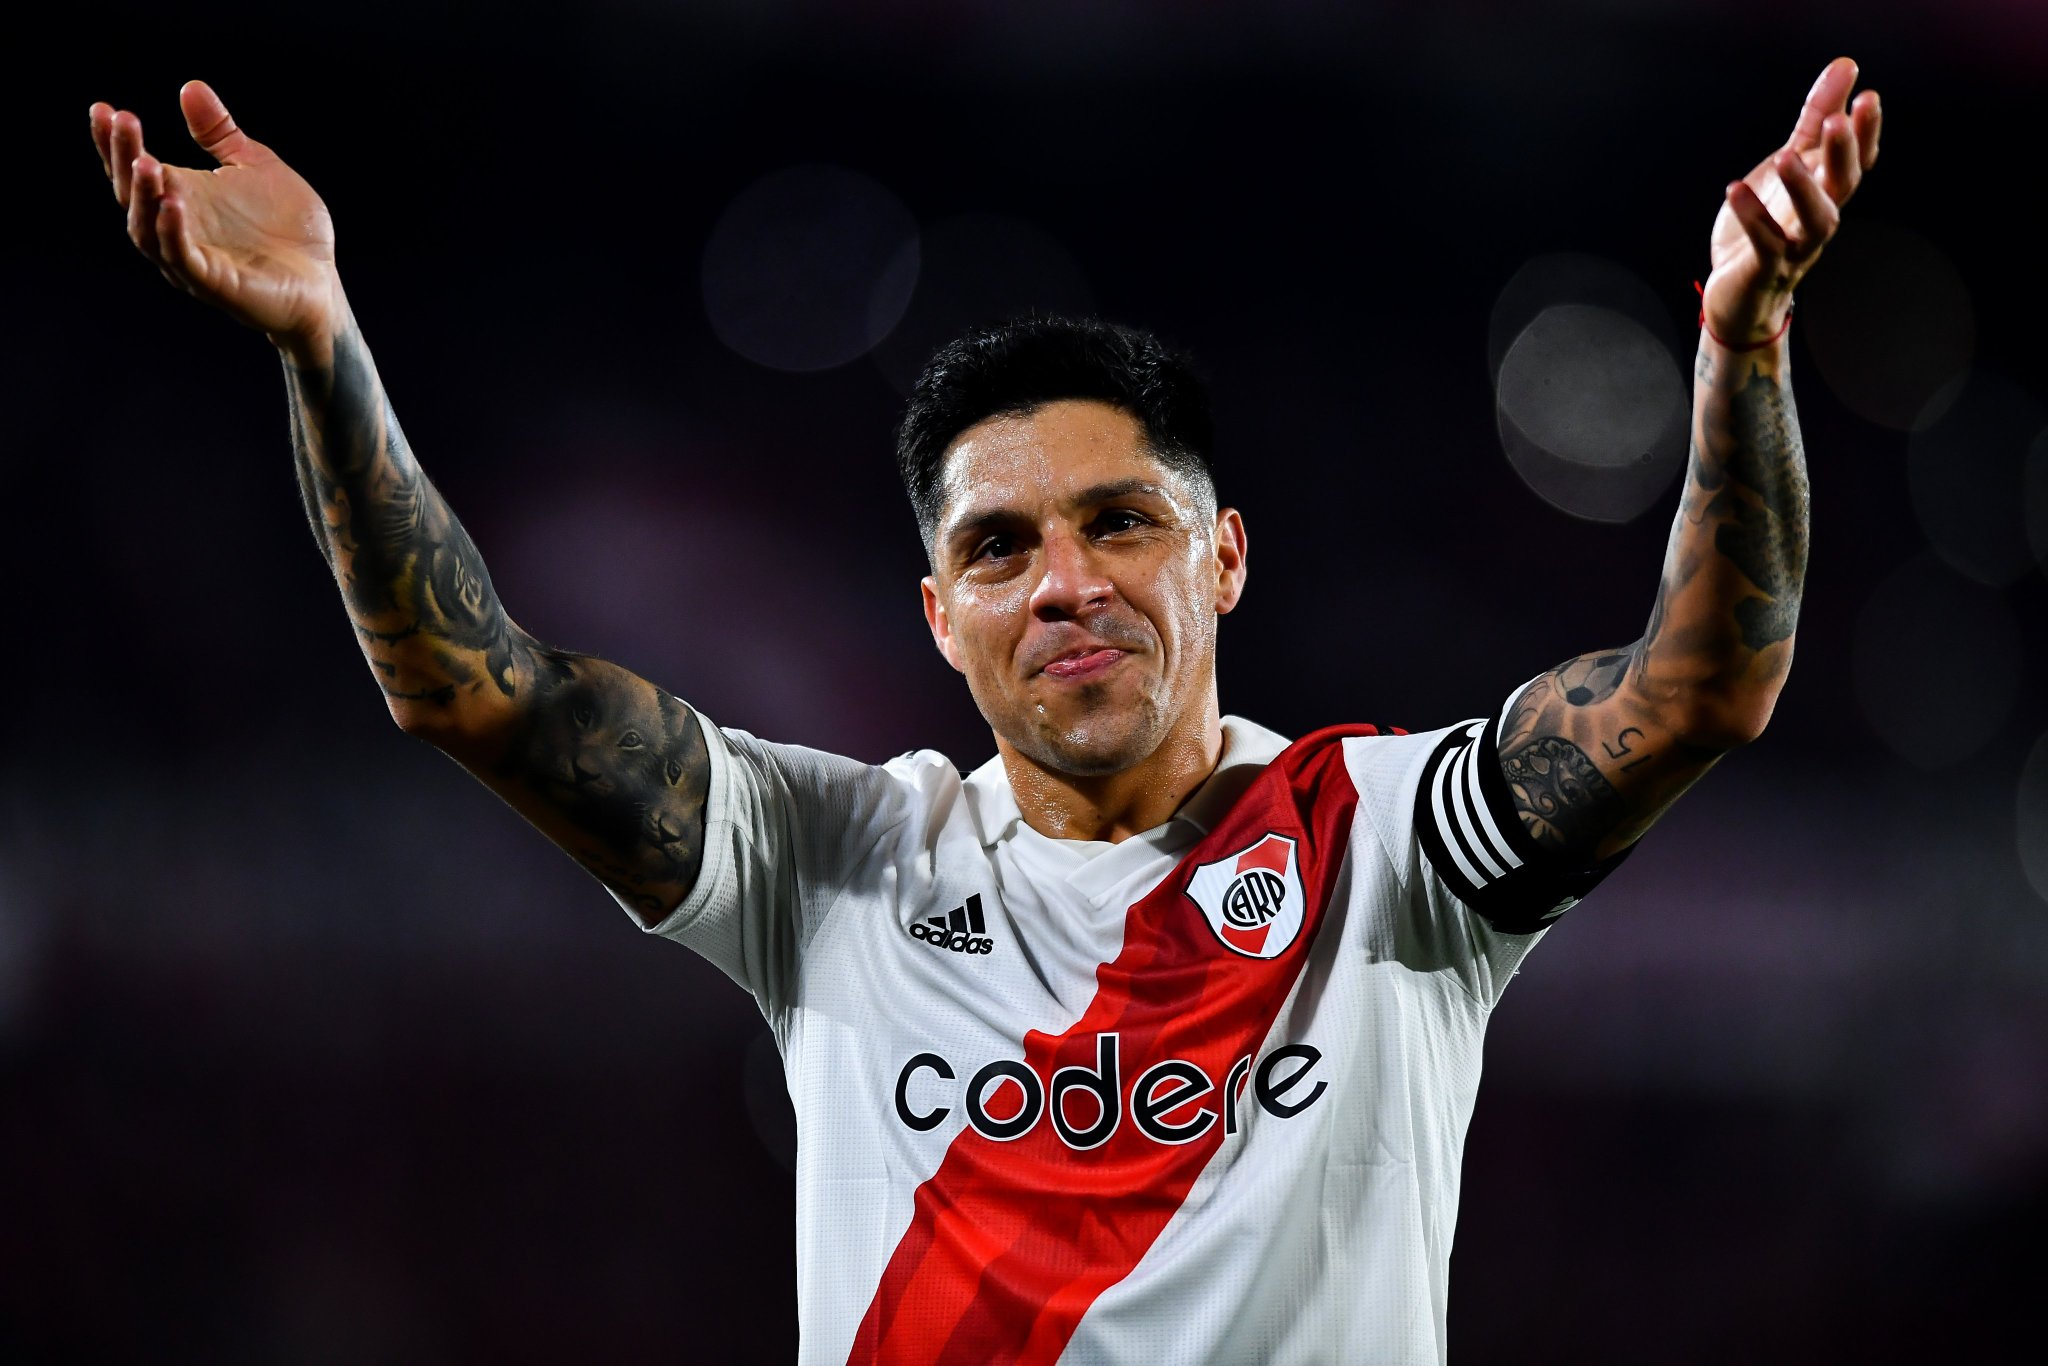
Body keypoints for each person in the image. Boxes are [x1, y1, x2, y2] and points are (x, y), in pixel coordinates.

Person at [89, 55, 1880, 1365]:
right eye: (1002, 547)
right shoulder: (835, 858)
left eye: (1121, 522)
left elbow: (1702, 683)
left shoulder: (1392, 841)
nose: (1066, 583)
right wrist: (321, 340)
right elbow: (467, 684)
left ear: (1224, 558)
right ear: (942, 617)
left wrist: (1744, 343)